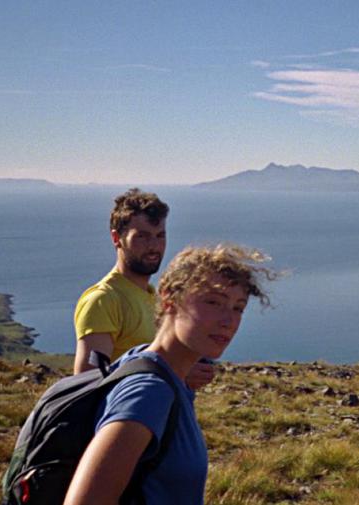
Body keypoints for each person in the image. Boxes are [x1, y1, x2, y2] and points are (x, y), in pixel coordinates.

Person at [64, 244, 274, 504]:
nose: (228, 321)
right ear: (169, 300)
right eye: (213, 302)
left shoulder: (156, 369)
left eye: (238, 308)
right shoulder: (148, 392)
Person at [72, 188, 212, 389]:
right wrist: (176, 372)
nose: (154, 246)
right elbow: (87, 383)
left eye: (160, 235)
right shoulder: (104, 299)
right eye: (142, 236)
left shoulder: (153, 297)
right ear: (116, 238)